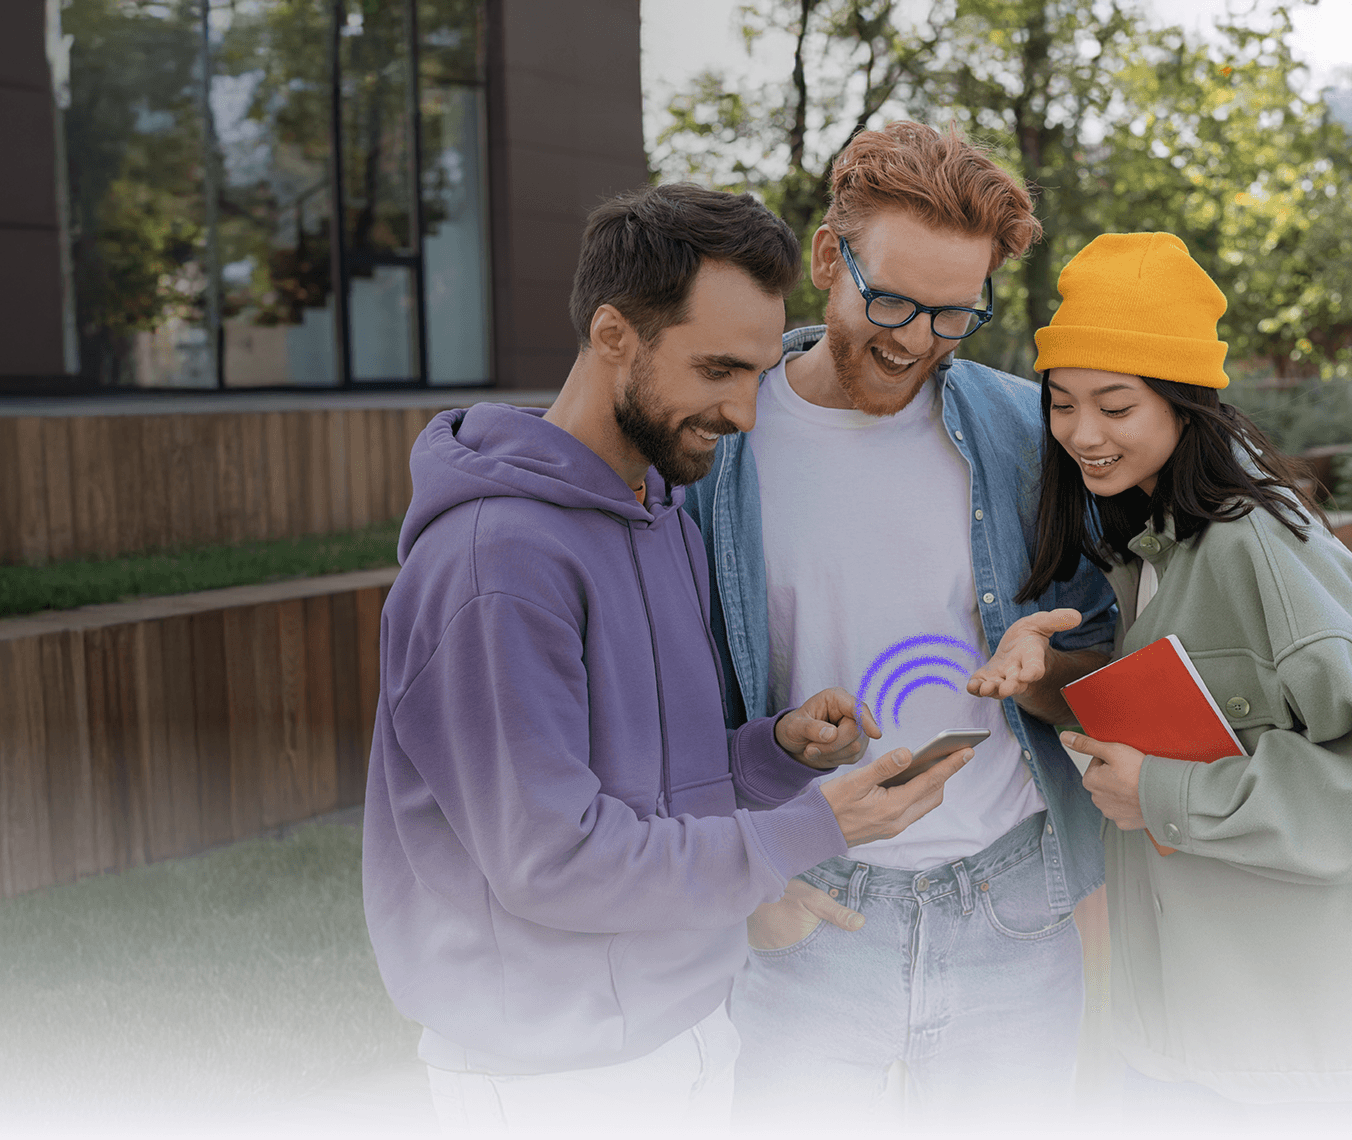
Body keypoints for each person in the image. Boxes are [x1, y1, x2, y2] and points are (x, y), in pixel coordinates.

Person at [361, 181, 972, 1134]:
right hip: (551, 1076)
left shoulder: (659, 514)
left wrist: (773, 753)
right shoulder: (497, 567)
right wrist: (813, 828)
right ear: (615, 335)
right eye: (718, 371)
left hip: (688, 1030)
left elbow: (656, 786)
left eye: (758, 376)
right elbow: (554, 859)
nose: (746, 413)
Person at [683, 121, 1118, 1119]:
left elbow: (1097, 659)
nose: (917, 340)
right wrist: (751, 890)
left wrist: (1043, 670)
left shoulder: (1024, 432)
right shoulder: (724, 446)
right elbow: (677, 689)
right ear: (831, 256)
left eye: (952, 317)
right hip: (812, 900)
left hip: (1013, 908)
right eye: (892, 302)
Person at [1017, 231, 1352, 1121]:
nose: (1082, 435)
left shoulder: (1257, 544)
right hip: (1169, 1039)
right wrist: (1045, 676)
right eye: (1061, 403)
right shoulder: (1151, 546)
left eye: (1116, 406)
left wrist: (1167, 794)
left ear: (1184, 403)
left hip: (1269, 1062)